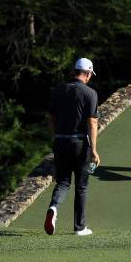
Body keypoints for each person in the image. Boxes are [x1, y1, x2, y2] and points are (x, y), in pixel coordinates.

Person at [44, 58, 100, 236]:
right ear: (88, 73)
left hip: (60, 141)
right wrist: (94, 150)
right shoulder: (90, 93)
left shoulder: (59, 90)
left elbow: (52, 118)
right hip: (79, 143)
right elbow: (92, 123)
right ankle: (79, 227)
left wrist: (56, 137)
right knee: (81, 186)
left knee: (63, 182)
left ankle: (53, 207)